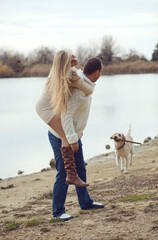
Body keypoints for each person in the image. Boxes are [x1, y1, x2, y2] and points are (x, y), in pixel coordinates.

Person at [48, 57, 104, 220]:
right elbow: (66, 116)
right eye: (102, 70)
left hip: (73, 134)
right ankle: (57, 212)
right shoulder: (79, 89)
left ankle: (85, 202)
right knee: (64, 172)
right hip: (60, 135)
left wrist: (77, 133)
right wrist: (72, 139)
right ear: (97, 72)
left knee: (80, 168)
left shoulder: (83, 82)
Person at [36, 50, 95, 187]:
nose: (76, 59)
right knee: (65, 137)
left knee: (66, 136)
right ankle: (71, 175)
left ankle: (72, 174)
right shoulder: (70, 74)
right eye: (72, 58)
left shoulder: (58, 71)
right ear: (66, 62)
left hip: (45, 107)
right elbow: (89, 89)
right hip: (46, 110)